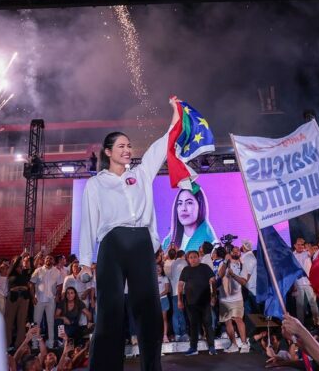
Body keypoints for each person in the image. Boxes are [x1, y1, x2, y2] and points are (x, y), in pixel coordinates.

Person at [78, 96, 180, 371]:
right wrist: (86, 262)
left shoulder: (142, 174)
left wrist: (176, 112)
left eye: (129, 145)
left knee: (148, 310)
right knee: (109, 312)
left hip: (140, 244)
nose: (127, 149)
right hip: (112, 245)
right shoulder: (96, 184)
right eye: (121, 146)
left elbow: (164, 142)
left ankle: (152, 366)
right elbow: (88, 223)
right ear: (108, 152)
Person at [178, 250, 216, 356]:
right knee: (193, 325)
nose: (193, 259)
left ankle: (212, 347)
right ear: (188, 259)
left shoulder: (205, 268)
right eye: (191, 257)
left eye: (195, 257)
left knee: (208, 324)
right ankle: (193, 348)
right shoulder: (186, 270)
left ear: (198, 257)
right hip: (191, 303)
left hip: (205, 302)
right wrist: (179, 300)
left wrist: (213, 297)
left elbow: (213, 281)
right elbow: (180, 285)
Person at [216, 245, 251, 353]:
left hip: (237, 298)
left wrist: (234, 275)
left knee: (238, 320)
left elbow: (244, 282)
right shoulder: (223, 263)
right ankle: (234, 345)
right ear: (230, 253)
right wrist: (226, 263)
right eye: (234, 251)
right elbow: (220, 275)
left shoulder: (242, 265)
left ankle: (245, 344)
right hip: (224, 299)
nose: (236, 253)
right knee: (227, 322)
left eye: (237, 252)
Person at [161, 188, 218, 252]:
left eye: (189, 203)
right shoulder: (168, 242)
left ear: (200, 205)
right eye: (180, 203)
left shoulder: (210, 242)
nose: (183, 208)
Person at [31, 255, 63, 347]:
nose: (49, 259)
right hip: (39, 300)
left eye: (51, 258)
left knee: (50, 321)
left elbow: (60, 285)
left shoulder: (57, 271)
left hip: (51, 300)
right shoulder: (38, 270)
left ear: (53, 260)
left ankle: (50, 343)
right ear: (44, 260)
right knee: (36, 322)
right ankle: (34, 344)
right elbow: (31, 284)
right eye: (47, 258)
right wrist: (33, 297)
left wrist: (57, 295)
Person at [292, 237, 319, 325]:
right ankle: (301, 325)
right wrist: (293, 285)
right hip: (298, 284)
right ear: (295, 245)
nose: (300, 246)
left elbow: (312, 252)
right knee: (300, 306)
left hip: (308, 283)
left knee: (313, 304)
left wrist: (308, 247)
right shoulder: (292, 256)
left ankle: (317, 323)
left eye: (302, 244)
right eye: (298, 245)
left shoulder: (306, 252)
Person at [6, 253, 32, 349]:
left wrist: (30, 258)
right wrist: (20, 256)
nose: (20, 262)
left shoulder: (25, 272)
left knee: (21, 322)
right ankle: (7, 344)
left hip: (24, 298)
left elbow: (32, 268)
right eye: (18, 260)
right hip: (13, 297)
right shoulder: (11, 272)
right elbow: (13, 266)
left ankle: (19, 344)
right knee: (9, 321)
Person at [168, 250, 188, 341]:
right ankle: (183, 332)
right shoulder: (183, 262)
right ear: (183, 256)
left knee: (176, 313)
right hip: (182, 291)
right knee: (181, 312)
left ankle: (177, 334)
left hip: (174, 292)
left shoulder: (173, 264)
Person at [157, 263, 171, 343]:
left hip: (163, 300)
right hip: (154, 302)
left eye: (159, 267)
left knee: (164, 318)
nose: (158, 269)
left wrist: (159, 295)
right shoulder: (151, 278)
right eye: (156, 267)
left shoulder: (165, 278)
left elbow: (167, 290)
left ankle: (165, 335)